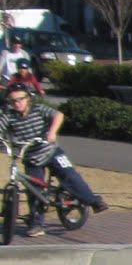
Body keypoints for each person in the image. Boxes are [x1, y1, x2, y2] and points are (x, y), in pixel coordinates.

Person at [1, 82, 108, 237]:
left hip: (51, 151)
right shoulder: (8, 115)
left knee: (69, 175)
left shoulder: (38, 109)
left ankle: (94, 201)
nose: (17, 103)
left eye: (20, 99)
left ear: (28, 98)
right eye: (12, 101)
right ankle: (36, 224)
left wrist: (52, 132)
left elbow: (58, 115)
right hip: (31, 157)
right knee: (33, 191)